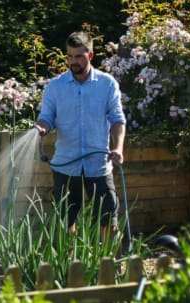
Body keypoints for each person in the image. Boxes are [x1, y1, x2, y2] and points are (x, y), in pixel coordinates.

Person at [34, 31, 126, 245]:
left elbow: (117, 119)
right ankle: (70, 270)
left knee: (107, 222)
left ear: (90, 55)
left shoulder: (107, 84)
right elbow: (47, 117)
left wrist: (119, 148)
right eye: (69, 56)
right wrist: (41, 128)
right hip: (66, 165)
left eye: (78, 57)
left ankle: (114, 270)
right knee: (66, 223)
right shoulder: (55, 86)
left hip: (99, 165)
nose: (73, 62)